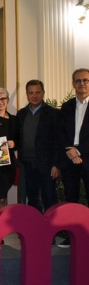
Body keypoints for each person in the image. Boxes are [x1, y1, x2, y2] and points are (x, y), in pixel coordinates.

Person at [56, 68, 89, 248]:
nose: (82, 84)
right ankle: (72, 236)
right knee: (71, 200)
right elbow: (61, 132)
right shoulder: (67, 106)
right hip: (70, 159)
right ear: (73, 84)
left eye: (85, 80)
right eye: (78, 81)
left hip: (86, 158)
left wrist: (80, 151)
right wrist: (71, 151)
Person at [17, 80, 60, 213]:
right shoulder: (21, 114)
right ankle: (34, 231)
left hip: (47, 165)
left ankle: (50, 231)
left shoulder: (53, 113)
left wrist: (56, 164)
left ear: (43, 93)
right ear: (27, 94)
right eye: (31, 93)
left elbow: (59, 141)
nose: (34, 96)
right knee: (32, 198)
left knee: (49, 197)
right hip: (27, 164)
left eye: (37, 92)